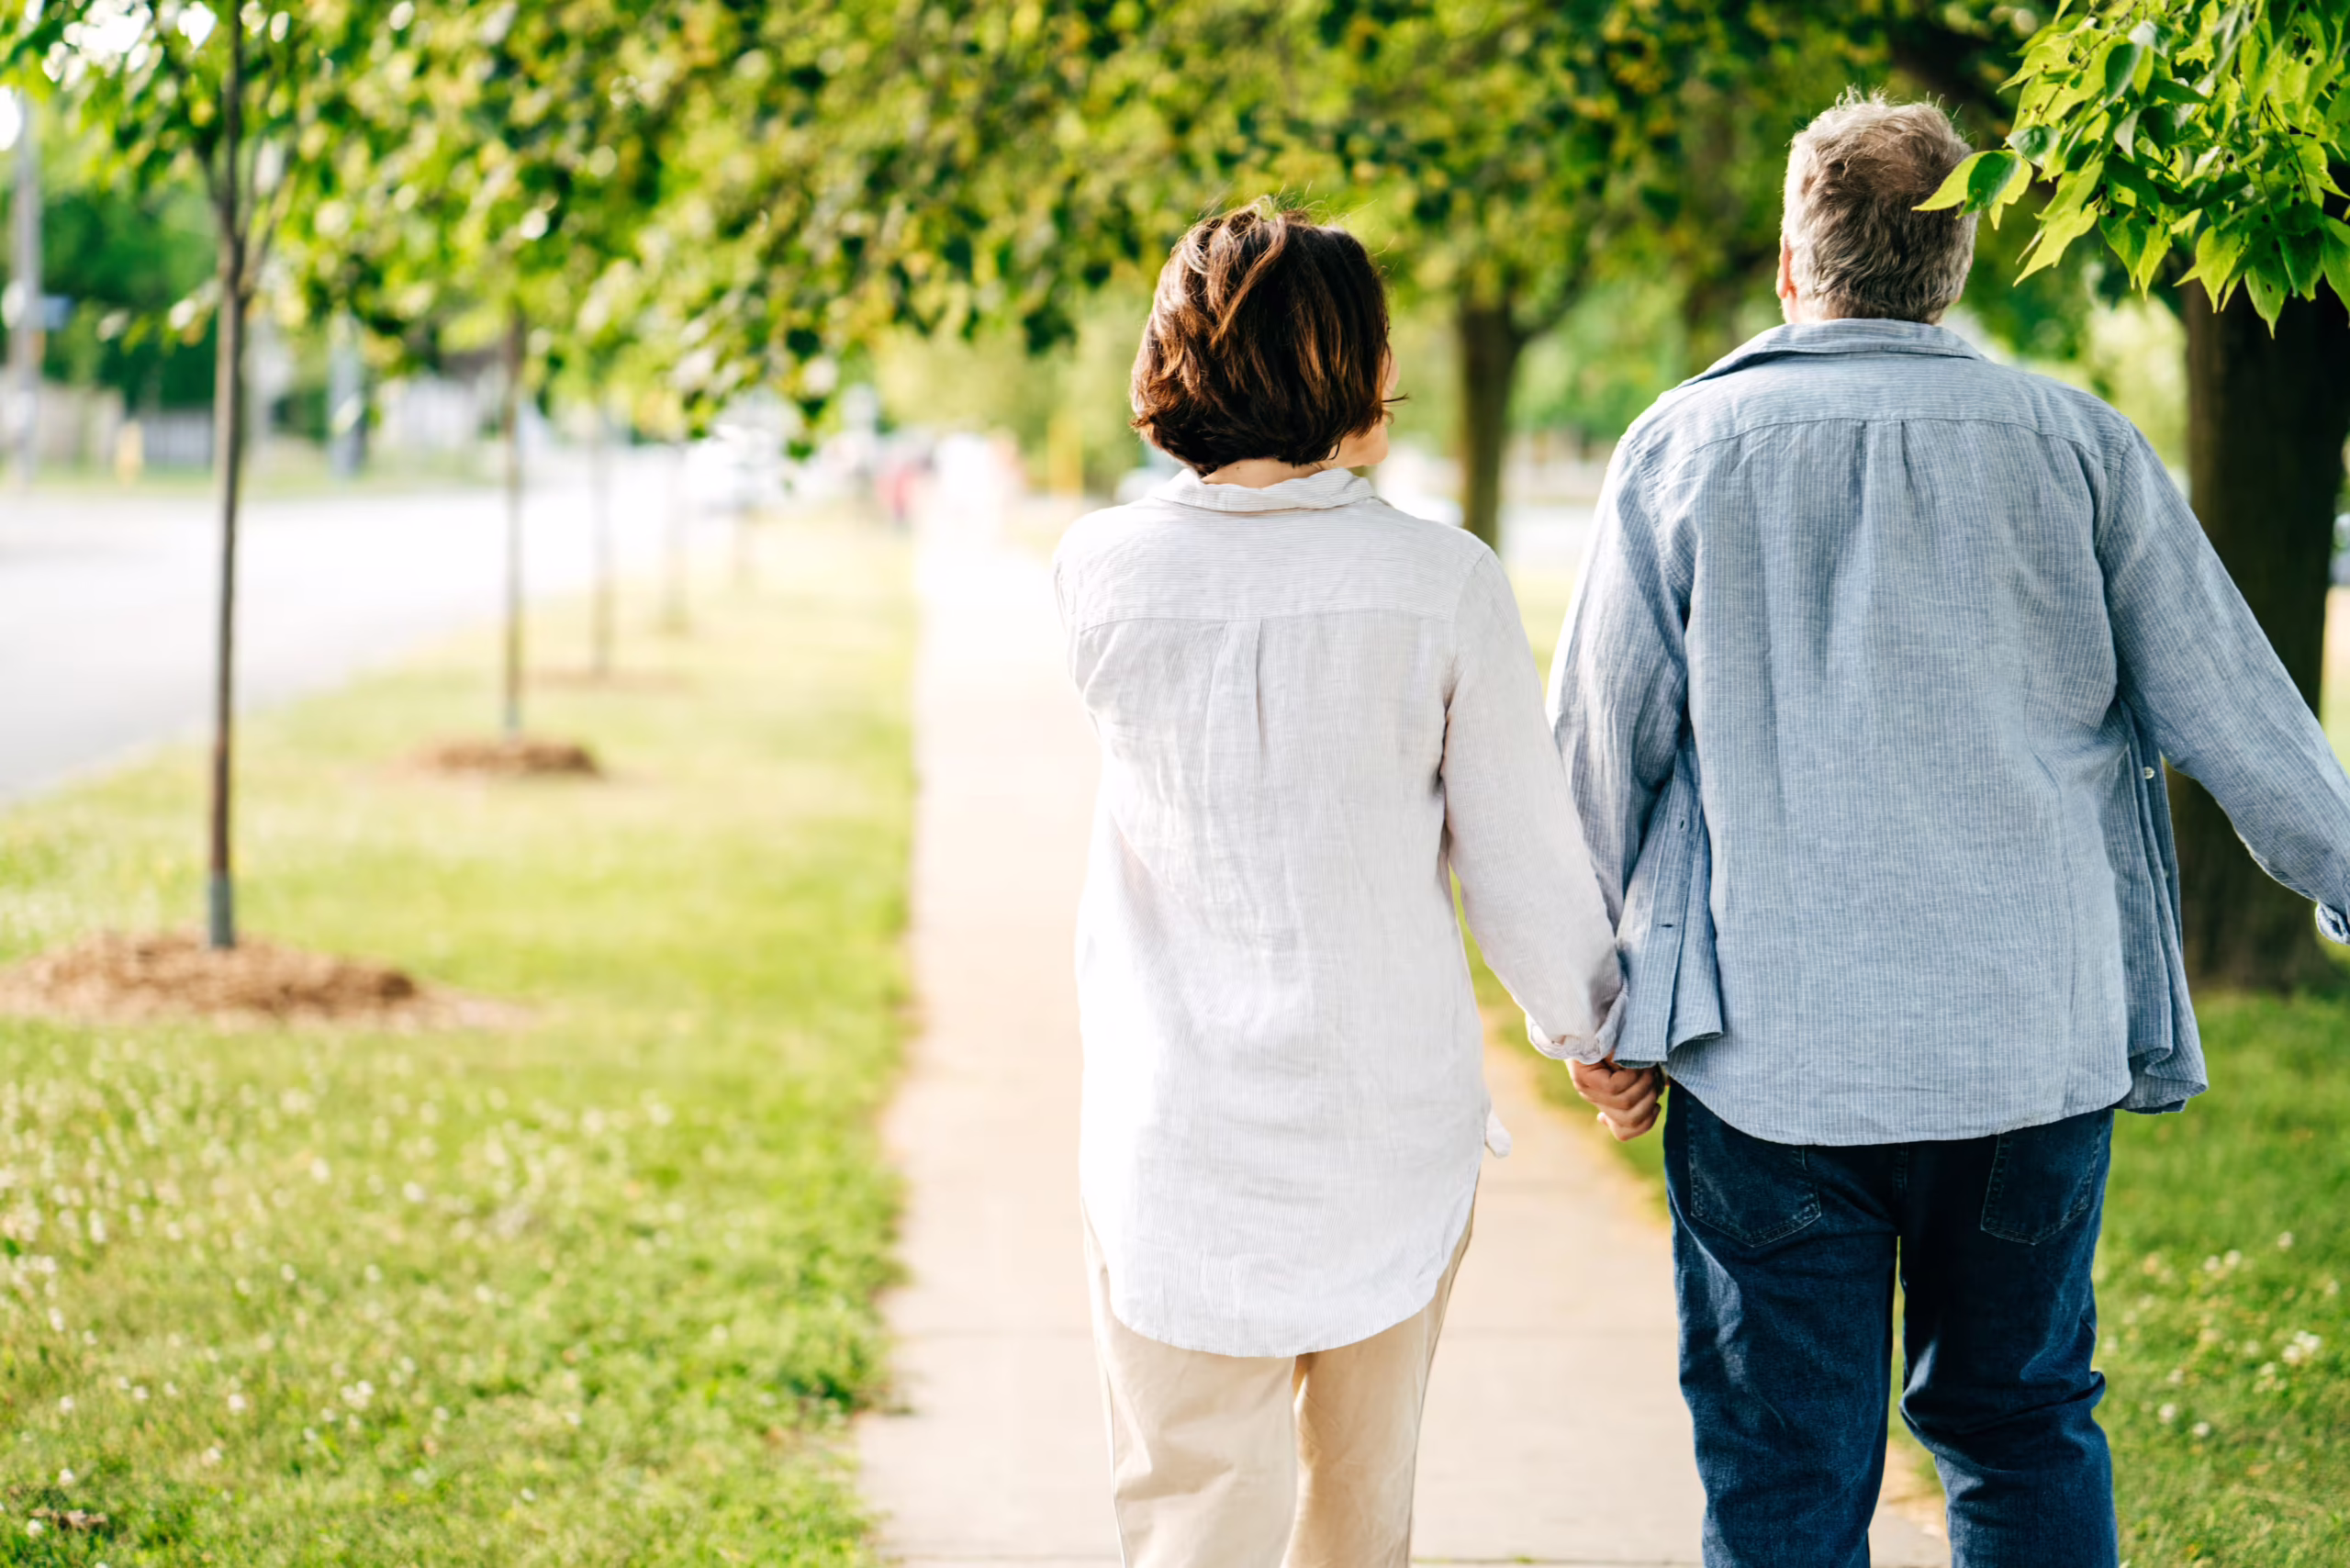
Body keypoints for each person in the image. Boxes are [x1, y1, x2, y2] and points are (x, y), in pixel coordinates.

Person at [1552, 92, 2350, 1567]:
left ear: (1792, 262)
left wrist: (1584, 1013)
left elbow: (1600, 755)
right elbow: (2242, 712)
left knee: (1784, 1471)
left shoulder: (1682, 449)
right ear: (1958, 262)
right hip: (2026, 1051)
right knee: (2020, 1425)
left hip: (1771, 1061)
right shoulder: (2082, 448)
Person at [1053, 201, 1626, 1566]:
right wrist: (1593, 1034)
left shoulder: (1098, 572)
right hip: (1383, 1127)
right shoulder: (1442, 583)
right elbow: (1520, 858)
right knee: (1361, 1513)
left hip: (1173, 1132)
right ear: (1352, 370)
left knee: (1192, 1513)